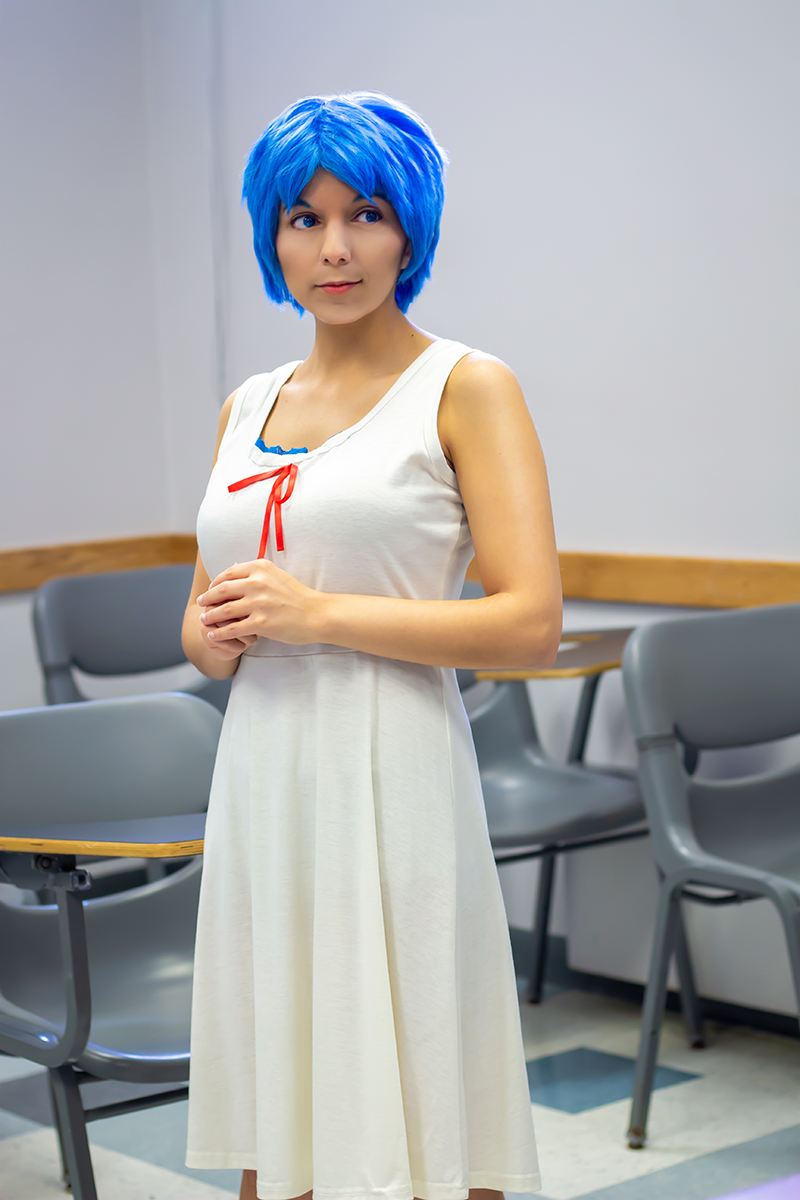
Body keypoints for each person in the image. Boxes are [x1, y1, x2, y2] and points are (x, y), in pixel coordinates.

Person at [182, 91, 562, 1200]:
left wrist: (320, 616)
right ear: (273, 239)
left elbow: (529, 624)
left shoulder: (466, 387)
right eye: (303, 219)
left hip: (394, 770)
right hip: (263, 778)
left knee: (422, 1089)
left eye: (366, 215)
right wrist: (216, 632)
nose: (334, 249)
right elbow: (202, 629)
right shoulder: (244, 404)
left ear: (411, 233)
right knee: (280, 1110)